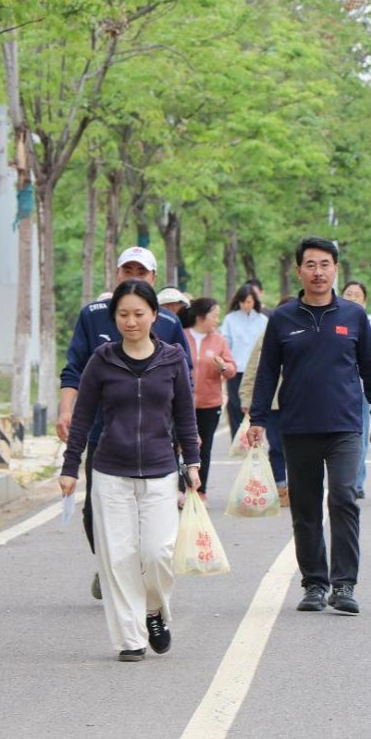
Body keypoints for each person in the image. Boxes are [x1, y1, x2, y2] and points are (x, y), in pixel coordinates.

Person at [59, 280, 201, 662]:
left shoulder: (172, 359)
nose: (131, 321)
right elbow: (83, 417)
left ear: (155, 315)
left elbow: (185, 416)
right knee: (118, 558)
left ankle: (153, 611)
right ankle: (130, 639)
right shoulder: (102, 360)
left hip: (160, 472)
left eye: (139, 313)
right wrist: (70, 467)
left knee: (157, 554)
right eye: (123, 314)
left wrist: (192, 463)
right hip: (111, 473)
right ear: (114, 317)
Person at [248, 237, 371, 615]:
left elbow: (370, 368)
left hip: (345, 426)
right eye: (310, 265)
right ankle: (314, 583)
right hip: (297, 427)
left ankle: (344, 584)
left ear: (335, 270)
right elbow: (267, 372)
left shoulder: (353, 316)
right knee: (306, 508)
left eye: (325, 264)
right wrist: (257, 419)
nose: (318, 272)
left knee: (343, 498)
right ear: (299, 271)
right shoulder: (282, 319)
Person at [238, 295, 298, 507]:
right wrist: (246, 397)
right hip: (272, 403)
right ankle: (281, 487)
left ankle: (298, 487)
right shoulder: (267, 336)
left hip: (299, 403)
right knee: (277, 446)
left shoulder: (306, 335)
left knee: (298, 447)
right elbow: (253, 369)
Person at [183, 297, 236, 503]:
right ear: (200, 316)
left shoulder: (219, 340)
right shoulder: (183, 336)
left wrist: (222, 366)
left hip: (209, 404)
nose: (217, 320)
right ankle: (180, 489)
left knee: (203, 448)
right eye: (214, 315)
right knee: (180, 446)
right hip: (182, 404)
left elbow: (231, 369)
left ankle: (200, 491)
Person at [339, 281, 371, 500]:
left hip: (360, 389)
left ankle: (356, 483)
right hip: (337, 389)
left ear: (365, 301)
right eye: (348, 294)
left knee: (359, 436)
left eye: (357, 295)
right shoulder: (334, 322)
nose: (352, 298)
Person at [221, 284, 269, 439]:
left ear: (254, 301)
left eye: (249, 301)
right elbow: (225, 343)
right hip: (236, 369)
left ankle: (254, 439)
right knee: (235, 405)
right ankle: (237, 440)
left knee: (254, 406)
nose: (246, 305)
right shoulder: (230, 319)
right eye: (243, 302)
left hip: (256, 370)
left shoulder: (263, 320)